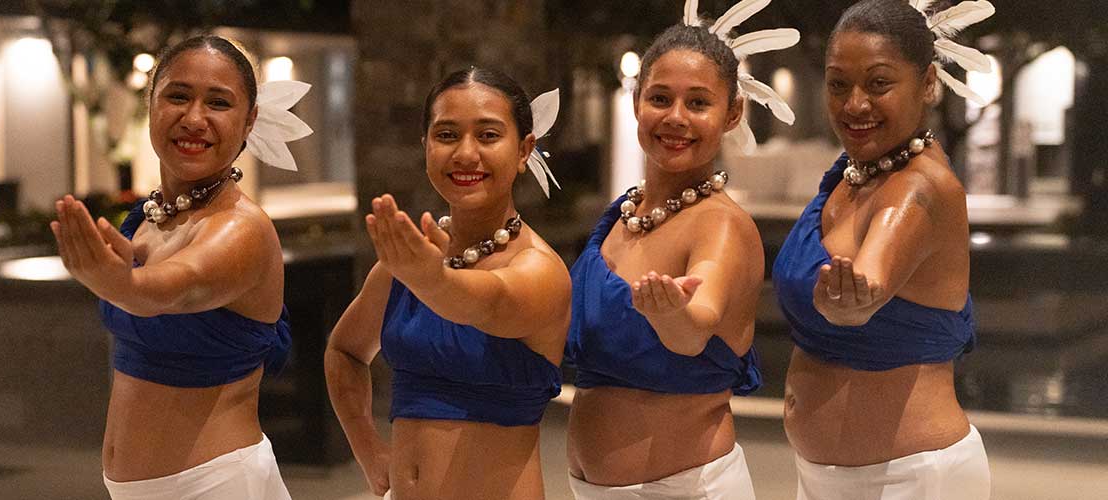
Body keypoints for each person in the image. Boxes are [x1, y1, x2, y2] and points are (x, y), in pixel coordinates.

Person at [50, 34, 307, 499]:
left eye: (218, 103)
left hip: (217, 485)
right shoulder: (146, 220)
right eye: (178, 96)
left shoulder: (241, 229)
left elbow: (172, 288)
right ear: (151, 104)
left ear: (249, 121)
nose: (194, 119)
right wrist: (117, 281)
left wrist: (119, 283)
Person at [564, 1, 798, 497]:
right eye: (660, 98)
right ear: (636, 103)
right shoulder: (620, 218)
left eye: (697, 103)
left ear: (732, 113)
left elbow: (696, 325)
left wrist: (674, 315)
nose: (675, 118)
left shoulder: (720, 226)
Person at [772, 1, 995, 499]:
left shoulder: (922, 187)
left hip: (911, 478)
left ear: (928, 83)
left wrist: (852, 305)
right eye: (837, 84)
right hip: (831, 476)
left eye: (878, 83)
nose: (855, 104)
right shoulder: (853, 176)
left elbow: (869, 281)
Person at [324, 67, 570, 500]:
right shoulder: (410, 263)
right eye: (447, 135)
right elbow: (344, 351)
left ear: (523, 150)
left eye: (489, 136)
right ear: (425, 146)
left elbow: (485, 303)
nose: (465, 154)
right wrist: (368, 450)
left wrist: (432, 278)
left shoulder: (539, 270)